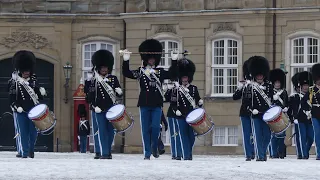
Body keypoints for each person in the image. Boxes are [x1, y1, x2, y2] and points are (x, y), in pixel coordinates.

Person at [122, 39, 178, 160]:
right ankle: (147, 153)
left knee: (156, 127)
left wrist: (174, 60)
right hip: (144, 103)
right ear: (146, 59)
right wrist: (126, 60)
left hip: (157, 103)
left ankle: (154, 146)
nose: (152, 60)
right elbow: (126, 73)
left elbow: (173, 74)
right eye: (150, 58)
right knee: (145, 129)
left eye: (153, 58)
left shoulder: (160, 72)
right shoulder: (141, 72)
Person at [8, 50, 46, 158]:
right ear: (20, 70)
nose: (26, 72)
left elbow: (39, 96)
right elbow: (11, 99)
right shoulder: (15, 82)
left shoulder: (34, 81)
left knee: (33, 133)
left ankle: (31, 150)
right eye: (24, 71)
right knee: (22, 133)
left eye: (28, 70)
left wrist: (42, 93)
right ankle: (24, 152)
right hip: (21, 110)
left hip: (33, 111)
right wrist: (16, 107)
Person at [87, 49, 123, 159]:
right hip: (99, 108)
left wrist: (120, 92)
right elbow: (89, 96)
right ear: (99, 68)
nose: (104, 70)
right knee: (101, 131)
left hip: (111, 108)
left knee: (111, 131)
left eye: (106, 68)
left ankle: (107, 150)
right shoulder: (94, 80)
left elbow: (119, 93)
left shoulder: (113, 79)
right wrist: (94, 106)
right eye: (102, 68)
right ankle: (105, 153)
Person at [174, 58, 203, 161]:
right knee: (183, 136)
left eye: (186, 77)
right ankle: (186, 156)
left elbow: (198, 99)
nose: (184, 79)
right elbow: (173, 102)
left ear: (189, 78)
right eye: (183, 78)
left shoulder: (194, 88)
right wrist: (175, 110)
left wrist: (200, 102)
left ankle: (188, 153)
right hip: (181, 115)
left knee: (191, 136)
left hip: (192, 116)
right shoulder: (177, 89)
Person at [247, 56, 273, 161]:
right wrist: (251, 109)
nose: (260, 76)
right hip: (256, 114)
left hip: (267, 114)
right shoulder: (251, 87)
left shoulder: (269, 86)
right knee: (257, 136)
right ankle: (260, 156)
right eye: (258, 75)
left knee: (267, 136)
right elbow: (247, 102)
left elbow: (272, 100)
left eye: (261, 74)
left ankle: (262, 151)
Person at [233, 59, 255, 161]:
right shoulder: (244, 86)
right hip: (245, 113)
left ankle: (255, 151)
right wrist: (240, 87)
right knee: (247, 134)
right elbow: (235, 97)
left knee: (255, 134)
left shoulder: (256, 86)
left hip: (255, 112)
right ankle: (248, 154)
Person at [301, 64, 320, 160]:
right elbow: (303, 101)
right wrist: (307, 111)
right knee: (317, 134)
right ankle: (319, 153)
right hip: (315, 113)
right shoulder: (311, 90)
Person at [269, 69, 288, 159]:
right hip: (273, 115)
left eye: (279, 82)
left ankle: (281, 152)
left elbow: (286, 102)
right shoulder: (270, 92)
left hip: (282, 114)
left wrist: (286, 107)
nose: (277, 84)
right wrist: (273, 99)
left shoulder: (284, 92)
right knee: (274, 135)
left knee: (282, 135)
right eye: (276, 82)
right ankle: (273, 153)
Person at [84, 69, 101, 159]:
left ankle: (105, 149)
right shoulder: (91, 81)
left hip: (106, 107)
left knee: (106, 130)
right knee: (96, 130)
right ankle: (98, 150)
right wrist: (88, 81)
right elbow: (87, 92)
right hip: (95, 107)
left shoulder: (109, 79)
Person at [164, 82, 183, 160]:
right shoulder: (172, 90)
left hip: (183, 114)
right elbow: (166, 99)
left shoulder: (186, 89)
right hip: (173, 114)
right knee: (174, 135)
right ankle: (175, 153)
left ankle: (182, 152)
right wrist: (168, 90)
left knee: (182, 135)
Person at [287, 72, 303, 159]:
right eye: (298, 87)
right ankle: (300, 153)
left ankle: (304, 151)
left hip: (307, 119)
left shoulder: (309, 96)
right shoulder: (294, 97)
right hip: (297, 119)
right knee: (298, 137)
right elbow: (290, 110)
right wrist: (292, 118)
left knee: (309, 137)